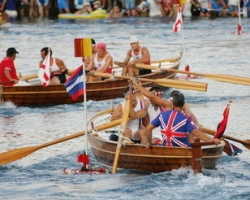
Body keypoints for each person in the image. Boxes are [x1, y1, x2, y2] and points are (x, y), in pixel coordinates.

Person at [145, 92, 221, 147]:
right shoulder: (185, 119)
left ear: (172, 103)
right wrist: (211, 140)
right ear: (183, 104)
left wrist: (150, 144)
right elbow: (197, 133)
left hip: (166, 148)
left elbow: (148, 129)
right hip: (183, 150)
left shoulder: (162, 115)